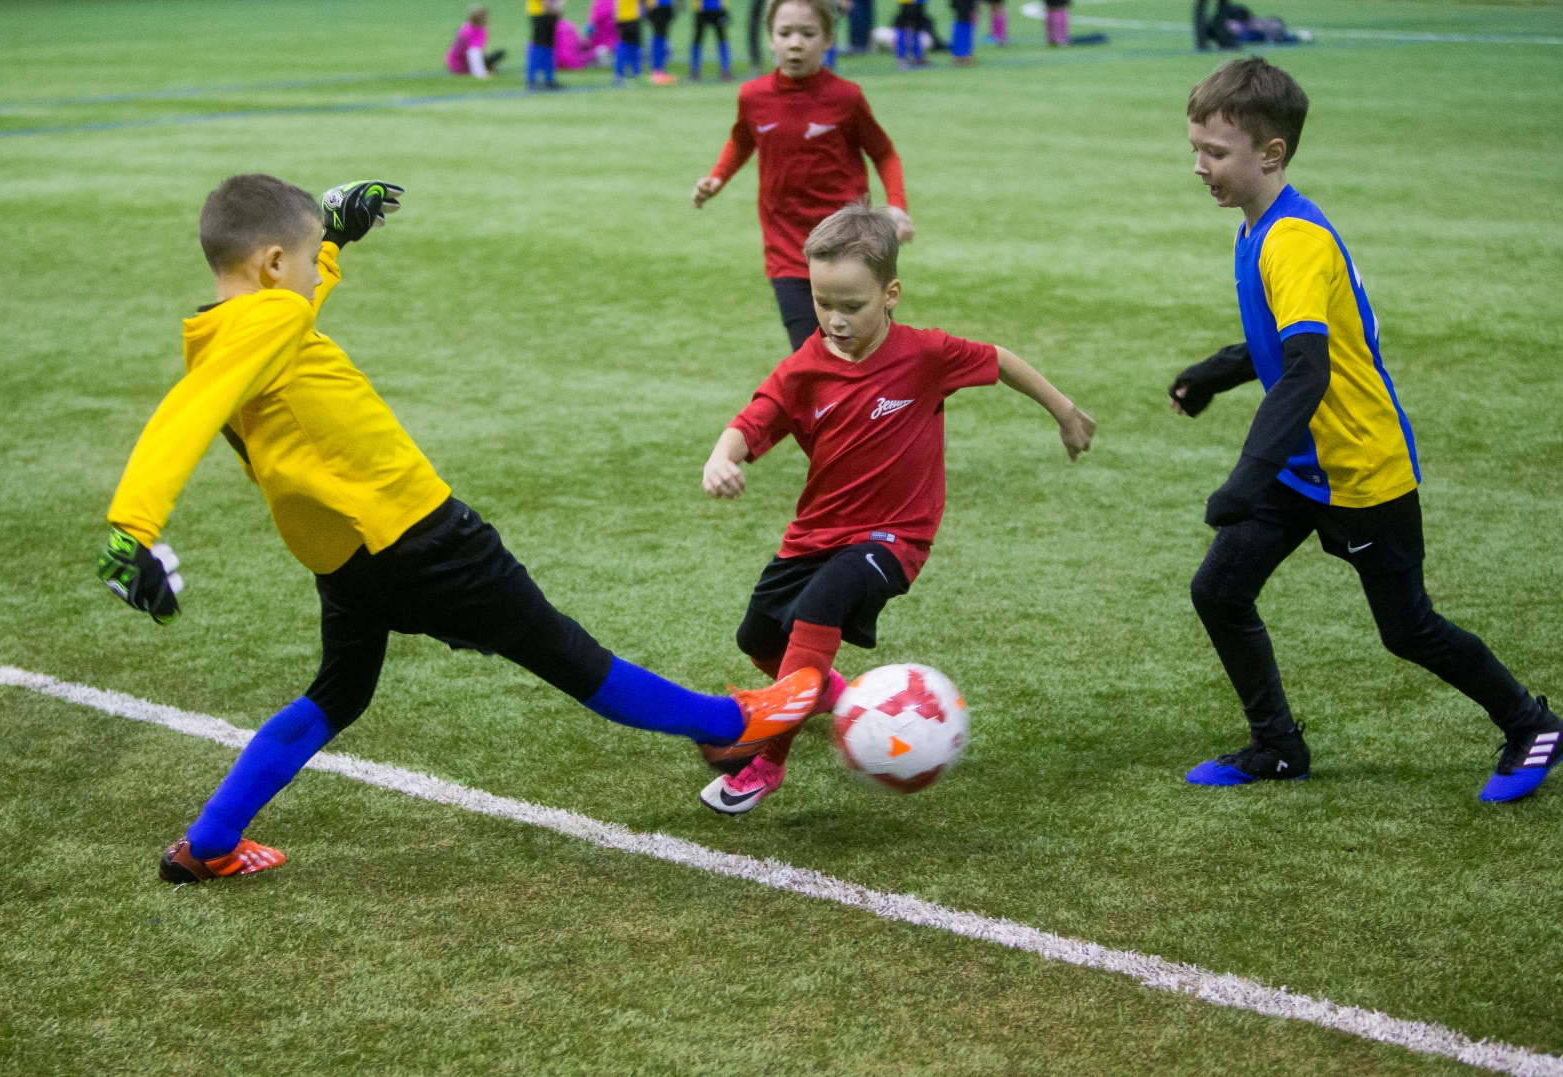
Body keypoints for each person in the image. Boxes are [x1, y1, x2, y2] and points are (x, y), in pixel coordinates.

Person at [97, 174, 822, 883]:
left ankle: (210, 841)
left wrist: (334, 240)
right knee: (562, 648)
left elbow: (278, 323)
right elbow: (185, 414)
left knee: (338, 694)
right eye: (310, 258)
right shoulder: (267, 322)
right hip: (419, 534)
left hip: (349, 556)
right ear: (274, 264)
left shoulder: (226, 330)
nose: (316, 277)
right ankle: (730, 726)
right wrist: (133, 528)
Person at [1173, 58, 1560, 801]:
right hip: (1301, 465)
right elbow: (1287, 340)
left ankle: (1532, 724)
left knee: (1408, 629)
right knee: (1220, 589)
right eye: (1196, 149)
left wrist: (1244, 478)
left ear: (1272, 154)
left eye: (1215, 152)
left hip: (1361, 468)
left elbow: (1308, 372)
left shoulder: (1294, 239)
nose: (1199, 167)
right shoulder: (1258, 228)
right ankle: (1277, 747)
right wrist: (1215, 374)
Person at [697, 204, 1096, 814]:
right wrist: (720, 458)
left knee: (822, 605)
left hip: (893, 539)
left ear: (891, 295)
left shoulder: (925, 355)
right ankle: (833, 694)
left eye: (851, 305)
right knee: (757, 638)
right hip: (813, 535)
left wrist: (1065, 412)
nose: (834, 319)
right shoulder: (804, 370)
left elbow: (999, 360)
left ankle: (765, 762)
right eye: (822, 302)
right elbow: (754, 420)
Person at [692, 0, 913, 352]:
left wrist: (897, 205)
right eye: (785, 33)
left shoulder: (846, 97)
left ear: (827, 39)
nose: (795, 43)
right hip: (787, 252)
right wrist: (717, 178)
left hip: (852, 247)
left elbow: (884, 153)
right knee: (813, 358)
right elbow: (742, 139)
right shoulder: (753, 96)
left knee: (873, 357)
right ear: (771, 39)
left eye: (808, 33)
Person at [446, 5, 507, 77]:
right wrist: (480, 72)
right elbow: (473, 51)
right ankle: (485, 67)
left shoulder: (466, 26)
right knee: (496, 56)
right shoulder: (479, 31)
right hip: (464, 65)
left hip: (453, 62)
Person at [691, 0, 734, 80]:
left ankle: (725, 70)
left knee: (721, 38)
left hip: (714, 9)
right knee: (698, 39)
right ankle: (695, 71)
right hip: (705, 9)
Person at [526, 0, 564, 89]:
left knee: (549, 46)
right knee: (540, 46)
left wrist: (556, 6)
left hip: (549, 13)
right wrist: (552, 6)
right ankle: (533, 79)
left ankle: (548, 79)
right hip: (540, 13)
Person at [612, 0, 645, 83]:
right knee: (632, 46)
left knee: (627, 45)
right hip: (631, 17)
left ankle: (621, 73)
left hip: (621, 17)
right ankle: (634, 73)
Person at [648, 0, 679, 81]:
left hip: (665, 6)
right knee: (659, 37)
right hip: (657, 6)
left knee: (661, 37)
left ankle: (659, 70)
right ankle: (657, 71)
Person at [893, 0, 930, 67]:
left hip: (916, 9)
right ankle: (903, 59)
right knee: (904, 33)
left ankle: (916, 58)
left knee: (915, 33)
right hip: (907, 9)